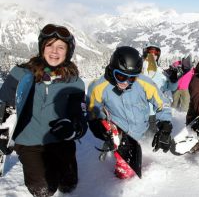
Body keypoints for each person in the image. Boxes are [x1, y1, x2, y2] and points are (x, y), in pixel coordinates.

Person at [0, 24, 87, 196]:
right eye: (50, 45)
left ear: (68, 52)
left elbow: (79, 115)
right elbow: (4, 105)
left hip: (61, 141)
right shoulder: (21, 74)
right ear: (42, 47)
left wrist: (74, 128)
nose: (54, 51)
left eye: (60, 47)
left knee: (68, 184)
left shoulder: (74, 82)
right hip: (29, 142)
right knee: (44, 189)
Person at [87, 46, 173, 179]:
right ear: (112, 69)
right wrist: (99, 126)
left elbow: (162, 103)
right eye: (120, 76)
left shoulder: (144, 83)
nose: (126, 82)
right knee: (126, 173)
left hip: (142, 130)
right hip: (121, 135)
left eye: (131, 78)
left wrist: (165, 125)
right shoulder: (99, 87)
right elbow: (93, 111)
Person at [142, 43, 177, 133]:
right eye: (151, 52)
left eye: (156, 53)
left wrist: (174, 80)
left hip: (155, 113)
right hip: (140, 112)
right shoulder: (139, 68)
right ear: (145, 53)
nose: (153, 55)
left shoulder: (161, 71)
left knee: (151, 138)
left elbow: (170, 88)